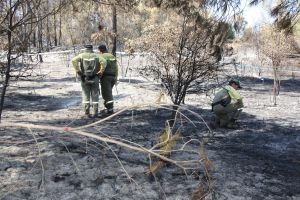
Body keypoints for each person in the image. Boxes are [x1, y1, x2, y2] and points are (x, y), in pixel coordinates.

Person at [71, 45, 106, 118]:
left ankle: (87, 113)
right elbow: (104, 61)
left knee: (85, 95)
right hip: (95, 78)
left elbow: (73, 60)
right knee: (95, 96)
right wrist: (100, 71)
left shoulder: (82, 55)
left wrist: (78, 71)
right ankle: (95, 113)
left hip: (85, 78)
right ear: (92, 49)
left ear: (85, 49)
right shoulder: (96, 56)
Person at [98, 44, 118, 114]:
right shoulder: (112, 56)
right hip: (113, 77)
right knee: (109, 93)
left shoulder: (101, 56)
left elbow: (100, 67)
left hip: (105, 78)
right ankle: (108, 107)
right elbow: (116, 68)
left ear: (100, 50)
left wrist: (99, 75)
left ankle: (110, 109)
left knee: (107, 94)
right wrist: (116, 77)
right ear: (106, 49)